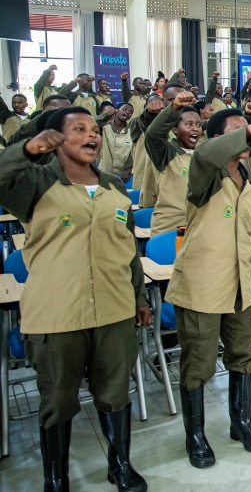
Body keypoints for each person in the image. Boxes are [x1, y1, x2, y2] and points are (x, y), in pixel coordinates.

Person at [0, 107, 152, 492]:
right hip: (57, 312)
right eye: (79, 129)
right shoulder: (35, 183)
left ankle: (120, 465)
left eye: (94, 130)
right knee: (58, 398)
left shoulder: (113, 187)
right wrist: (28, 150)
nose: (92, 135)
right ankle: (56, 477)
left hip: (115, 309)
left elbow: (128, 250)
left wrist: (138, 297)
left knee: (115, 392)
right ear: (55, 139)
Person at [166, 109, 251, 468]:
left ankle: (241, 423)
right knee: (199, 363)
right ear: (217, 139)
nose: (249, 136)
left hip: (240, 283)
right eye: (239, 132)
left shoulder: (248, 179)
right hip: (202, 282)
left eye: (250, 130)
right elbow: (203, 152)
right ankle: (195, 436)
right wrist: (250, 131)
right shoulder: (205, 171)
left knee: (242, 355)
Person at [145, 87, 201, 235]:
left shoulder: (203, 154)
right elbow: (153, 135)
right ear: (175, 130)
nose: (195, 129)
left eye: (198, 125)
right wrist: (174, 108)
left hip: (197, 228)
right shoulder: (166, 153)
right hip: (169, 228)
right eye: (189, 124)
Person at [99, 102, 136, 180]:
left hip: (122, 175)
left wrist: (127, 170)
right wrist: (106, 115)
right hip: (103, 172)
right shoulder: (105, 127)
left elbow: (132, 153)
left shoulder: (131, 131)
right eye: (124, 109)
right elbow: (92, 123)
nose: (127, 112)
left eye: (130, 112)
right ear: (117, 110)